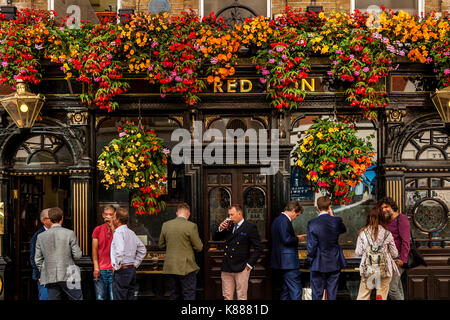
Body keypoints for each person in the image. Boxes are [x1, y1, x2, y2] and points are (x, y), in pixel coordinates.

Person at [213, 204, 263, 300]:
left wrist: (249, 265)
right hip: (227, 266)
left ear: (239, 214)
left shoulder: (250, 227)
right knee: (227, 296)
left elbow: (259, 248)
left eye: (232, 215)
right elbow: (215, 238)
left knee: (241, 297)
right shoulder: (229, 225)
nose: (230, 217)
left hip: (242, 267)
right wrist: (220, 228)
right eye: (229, 215)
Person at [35, 207, 83, 300]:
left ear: (51, 219)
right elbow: (77, 255)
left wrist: (45, 268)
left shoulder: (41, 236)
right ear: (62, 218)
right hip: (70, 273)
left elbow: (37, 259)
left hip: (50, 274)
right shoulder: (69, 233)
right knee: (77, 298)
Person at [159, 202, 203, 300]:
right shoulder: (191, 226)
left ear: (177, 213)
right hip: (186, 266)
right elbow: (199, 247)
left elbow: (161, 244)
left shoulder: (166, 225)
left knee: (173, 294)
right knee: (188, 294)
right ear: (188, 214)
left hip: (170, 266)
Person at [307, 195, 347, 300]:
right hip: (334, 261)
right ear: (330, 206)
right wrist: (332, 215)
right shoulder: (336, 221)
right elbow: (343, 229)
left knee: (316, 294)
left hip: (317, 262)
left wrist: (310, 259)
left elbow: (311, 245)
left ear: (317, 207)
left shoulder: (312, 223)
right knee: (332, 294)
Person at [355, 207, 400, 300]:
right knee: (381, 296)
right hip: (384, 270)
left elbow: (358, 252)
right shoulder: (387, 234)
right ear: (382, 218)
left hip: (368, 270)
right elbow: (395, 254)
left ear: (368, 218)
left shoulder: (363, 233)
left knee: (363, 296)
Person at [270, 201, 306, 300]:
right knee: (296, 290)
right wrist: (297, 239)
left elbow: (281, 239)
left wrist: (294, 237)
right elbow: (286, 239)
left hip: (281, 261)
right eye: (297, 215)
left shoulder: (277, 220)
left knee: (285, 291)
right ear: (293, 211)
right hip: (289, 262)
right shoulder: (284, 221)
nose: (296, 218)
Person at [110, 207, 147, 300]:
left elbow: (120, 251)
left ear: (118, 220)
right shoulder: (131, 232)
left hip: (122, 271)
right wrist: (135, 264)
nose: (113, 219)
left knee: (119, 297)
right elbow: (143, 249)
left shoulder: (118, 232)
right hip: (131, 270)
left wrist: (116, 266)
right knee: (130, 297)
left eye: (114, 216)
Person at [378, 197, 410, 300]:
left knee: (391, 288)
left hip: (399, 258)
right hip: (389, 258)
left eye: (386, 207)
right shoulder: (386, 220)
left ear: (392, 207)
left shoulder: (402, 219)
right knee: (397, 286)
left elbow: (406, 241)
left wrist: (403, 259)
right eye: (382, 208)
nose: (384, 210)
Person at [92, 205, 116, 300]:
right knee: (100, 297)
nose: (108, 217)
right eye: (106, 214)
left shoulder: (118, 229)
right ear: (103, 215)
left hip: (115, 269)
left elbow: (119, 243)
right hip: (101, 270)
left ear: (114, 216)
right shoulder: (97, 229)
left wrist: (112, 227)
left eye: (111, 214)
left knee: (114, 297)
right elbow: (94, 250)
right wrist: (96, 268)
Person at [30, 208, 52, 300]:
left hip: (58, 274)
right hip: (43, 275)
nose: (54, 220)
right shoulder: (38, 235)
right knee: (45, 297)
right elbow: (33, 256)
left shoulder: (60, 232)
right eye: (51, 218)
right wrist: (39, 274)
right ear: (43, 220)